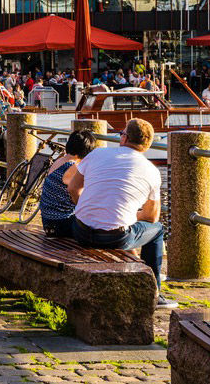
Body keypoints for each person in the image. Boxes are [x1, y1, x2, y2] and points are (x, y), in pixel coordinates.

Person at [66, 118, 176, 308]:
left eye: (121, 134)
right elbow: (152, 217)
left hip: (81, 231)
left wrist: (88, 211)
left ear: (124, 138)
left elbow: (73, 188)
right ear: (146, 145)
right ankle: (155, 292)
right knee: (157, 230)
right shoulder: (151, 171)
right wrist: (130, 215)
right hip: (115, 238)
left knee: (121, 223)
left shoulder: (97, 154)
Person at [39, 131, 92, 237]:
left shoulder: (59, 161)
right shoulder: (74, 167)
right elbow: (78, 197)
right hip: (61, 223)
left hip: (48, 221)